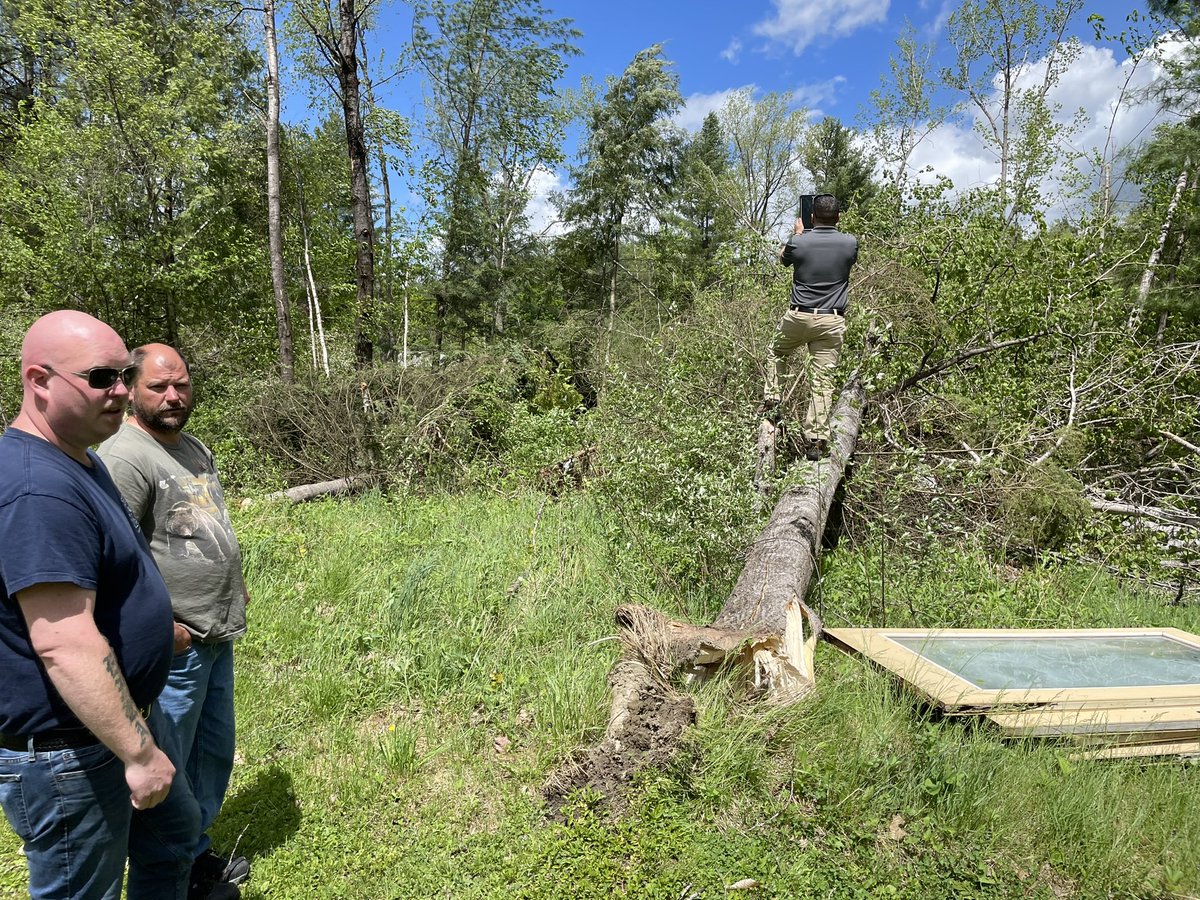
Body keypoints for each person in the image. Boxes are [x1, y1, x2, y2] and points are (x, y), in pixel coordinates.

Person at [0, 311, 205, 899]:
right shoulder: (37, 487)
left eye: (122, 375)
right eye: (100, 378)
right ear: (39, 380)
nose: (120, 391)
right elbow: (63, 641)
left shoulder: (81, 458)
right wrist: (139, 753)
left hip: (122, 719)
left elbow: (102, 578)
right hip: (73, 751)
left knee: (173, 843)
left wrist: (148, 624)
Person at [99, 343, 250, 900]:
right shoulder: (126, 456)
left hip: (216, 632)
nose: (172, 395)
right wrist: (164, 630)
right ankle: (165, 871)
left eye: (181, 384)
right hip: (175, 646)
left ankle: (196, 854)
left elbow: (203, 525)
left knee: (210, 755)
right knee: (169, 767)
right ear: (131, 389)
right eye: (158, 387)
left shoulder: (192, 448)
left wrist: (233, 583)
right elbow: (113, 560)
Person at [764, 193, 859, 460]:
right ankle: (816, 440)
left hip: (798, 317)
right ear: (839, 217)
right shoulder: (850, 243)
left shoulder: (799, 241)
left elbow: (783, 258)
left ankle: (772, 401)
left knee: (776, 351)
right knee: (822, 380)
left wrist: (798, 235)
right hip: (831, 321)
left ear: (813, 216)